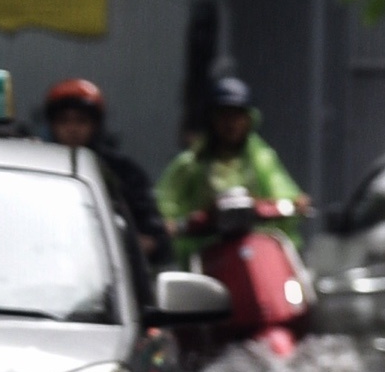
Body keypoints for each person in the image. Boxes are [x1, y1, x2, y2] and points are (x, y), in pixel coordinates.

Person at [157, 77, 306, 263]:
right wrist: (170, 223)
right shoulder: (191, 164)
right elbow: (166, 204)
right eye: (224, 115)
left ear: (249, 119)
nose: (231, 123)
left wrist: (294, 202)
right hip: (209, 256)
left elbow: (282, 190)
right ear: (211, 119)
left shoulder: (262, 159)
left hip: (258, 254)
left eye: (238, 115)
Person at [43, 78, 173, 265]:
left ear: (95, 125)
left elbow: (155, 236)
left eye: (81, 121)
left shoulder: (123, 172)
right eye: (64, 121)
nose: (72, 129)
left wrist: (131, 245)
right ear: (52, 125)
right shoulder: (40, 168)